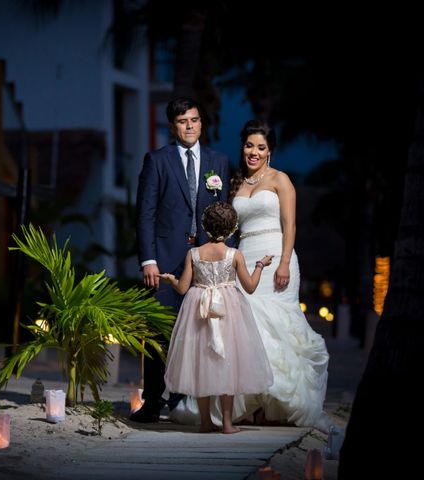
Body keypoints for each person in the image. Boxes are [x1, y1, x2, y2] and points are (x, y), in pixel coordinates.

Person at [170, 119, 331, 430]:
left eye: (260, 147)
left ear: (270, 150)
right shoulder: (234, 183)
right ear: (242, 146)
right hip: (245, 256)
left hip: (275, 257)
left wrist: (284, 262)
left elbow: (291, 225)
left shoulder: (281, 180)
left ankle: (276, 404)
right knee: (247, 329)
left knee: (277, 325)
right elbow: (226, 224)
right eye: (248, 145)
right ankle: (253, 403)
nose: (253, 152)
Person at [132, 96, 230, 423]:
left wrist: (222, 259)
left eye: (195, 120)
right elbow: (145, 213)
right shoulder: (157, 160)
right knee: (160, 331)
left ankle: (182, 399)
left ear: (202, 123)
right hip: (164, 259)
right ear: (173, 126)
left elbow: (224, 213)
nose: (190, 126)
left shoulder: (219, 161)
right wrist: (148, 259)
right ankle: (151, 400)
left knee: (198, 332)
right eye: (182, 121)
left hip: (204, 261)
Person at [159, 202, 274, 433]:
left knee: (202, 362)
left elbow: (182, 288)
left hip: (199, 309)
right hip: (229, 310)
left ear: (204, 226)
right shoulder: (235, 254)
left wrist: (171, 279)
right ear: (232, 229)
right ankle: (228, 424)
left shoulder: (193, 253)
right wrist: (260, 265)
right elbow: (250, 287)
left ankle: (205, 422)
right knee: (227, 362)